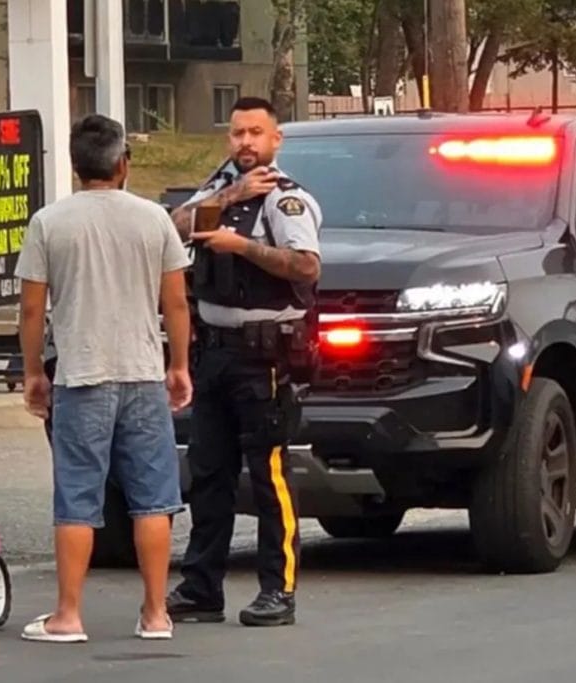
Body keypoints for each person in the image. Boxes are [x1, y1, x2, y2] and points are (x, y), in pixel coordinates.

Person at [14, 113, 193, 643]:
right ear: (123, 164)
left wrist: (32, 371)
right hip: (142, 373)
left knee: (77, 497)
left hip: (81, 375)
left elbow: (31, 308)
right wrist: (178, 365)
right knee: (153, 498)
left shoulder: (49, 222)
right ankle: (156, 613)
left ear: (76, 166)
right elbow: (176, 302)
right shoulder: (154, 219)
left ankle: (68, 615)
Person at [164, 96, 323, 627]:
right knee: (209, 473)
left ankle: (278, 590)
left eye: (256, 132)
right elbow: (175, 227)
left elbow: (306, 267)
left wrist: (242, 247)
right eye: (238, 133)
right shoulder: (220, 188)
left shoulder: (286, 200)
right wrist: (228, 195)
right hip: (214, 353)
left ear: (276, 139)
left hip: (265, 357)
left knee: (269, 475)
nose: (246, 142)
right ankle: (201, 589)